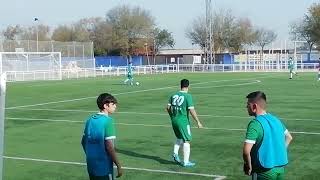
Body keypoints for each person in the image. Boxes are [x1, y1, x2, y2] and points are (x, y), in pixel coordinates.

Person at [243, 91, 293, 180]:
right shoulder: (276, 119)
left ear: (254, 106)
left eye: (248, 104)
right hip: (280, 168)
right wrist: (277, 152)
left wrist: (248, 166)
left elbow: (246, 151)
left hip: (263, 171)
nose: (246, 107)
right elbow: (289, 137)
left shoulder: (255, 123)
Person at [81, 93, 123, 180]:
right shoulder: (108, 121)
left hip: (91, 164)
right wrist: (118, 165)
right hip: (104, 166)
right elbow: (109, 146)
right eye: (113, 104)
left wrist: (91, 155)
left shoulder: (90, 120)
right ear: (105, 106)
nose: (115, 106)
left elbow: (83, 142)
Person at [166, 79, 203, 167]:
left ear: (181, 85)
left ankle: (175, 154)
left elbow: (167, 107)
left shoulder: (173, 95)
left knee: (179, 137)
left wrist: (172, 116)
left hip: (174, 120)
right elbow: (191, 110)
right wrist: (198, 121)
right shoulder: (187, 96)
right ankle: (186, 162)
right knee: (187, 140)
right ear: (188, 86)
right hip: (183, 122)